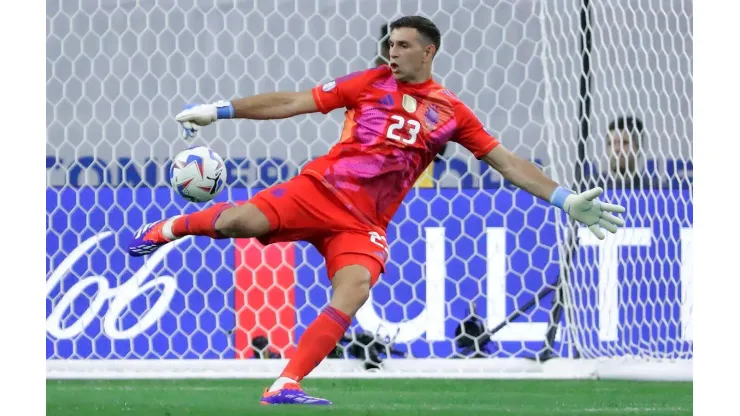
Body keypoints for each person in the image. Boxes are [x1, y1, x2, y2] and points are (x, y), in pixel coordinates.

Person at [127, 15, 626, 406]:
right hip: (318, 189)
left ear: (429, 52)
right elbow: (294, 101)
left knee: (355, 288)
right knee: (240, 222)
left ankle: (284, 383)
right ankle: (169, 227)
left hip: (364, 223)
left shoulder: (452, 113)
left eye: (402, 44)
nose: (392, 50)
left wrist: (564, 198)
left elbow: (507, 163)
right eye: (389, 43)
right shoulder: (367, 83)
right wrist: (220, 111)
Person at [588, 116, 659, 189]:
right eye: (611, 143)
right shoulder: (591, 186)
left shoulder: (649, 188)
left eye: (624, 143)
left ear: (638, 147)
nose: (616, 149)